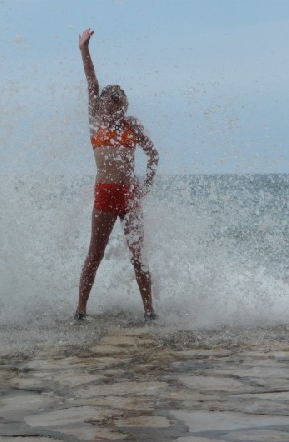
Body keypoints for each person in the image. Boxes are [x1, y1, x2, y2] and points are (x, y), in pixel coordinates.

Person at [75, 28, 159, 322]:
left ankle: (149, 311)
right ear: (102, 106)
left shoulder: (132, 125)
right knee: (94, 255)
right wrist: (84, 49)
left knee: (138, 256)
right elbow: (91, 80)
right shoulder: (96, 122)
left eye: (120, 108)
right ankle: (80, 310)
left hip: (130, 194)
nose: (116, 113)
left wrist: (145, 186)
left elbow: (154, 155)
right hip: (105, 194)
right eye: (112, 107)